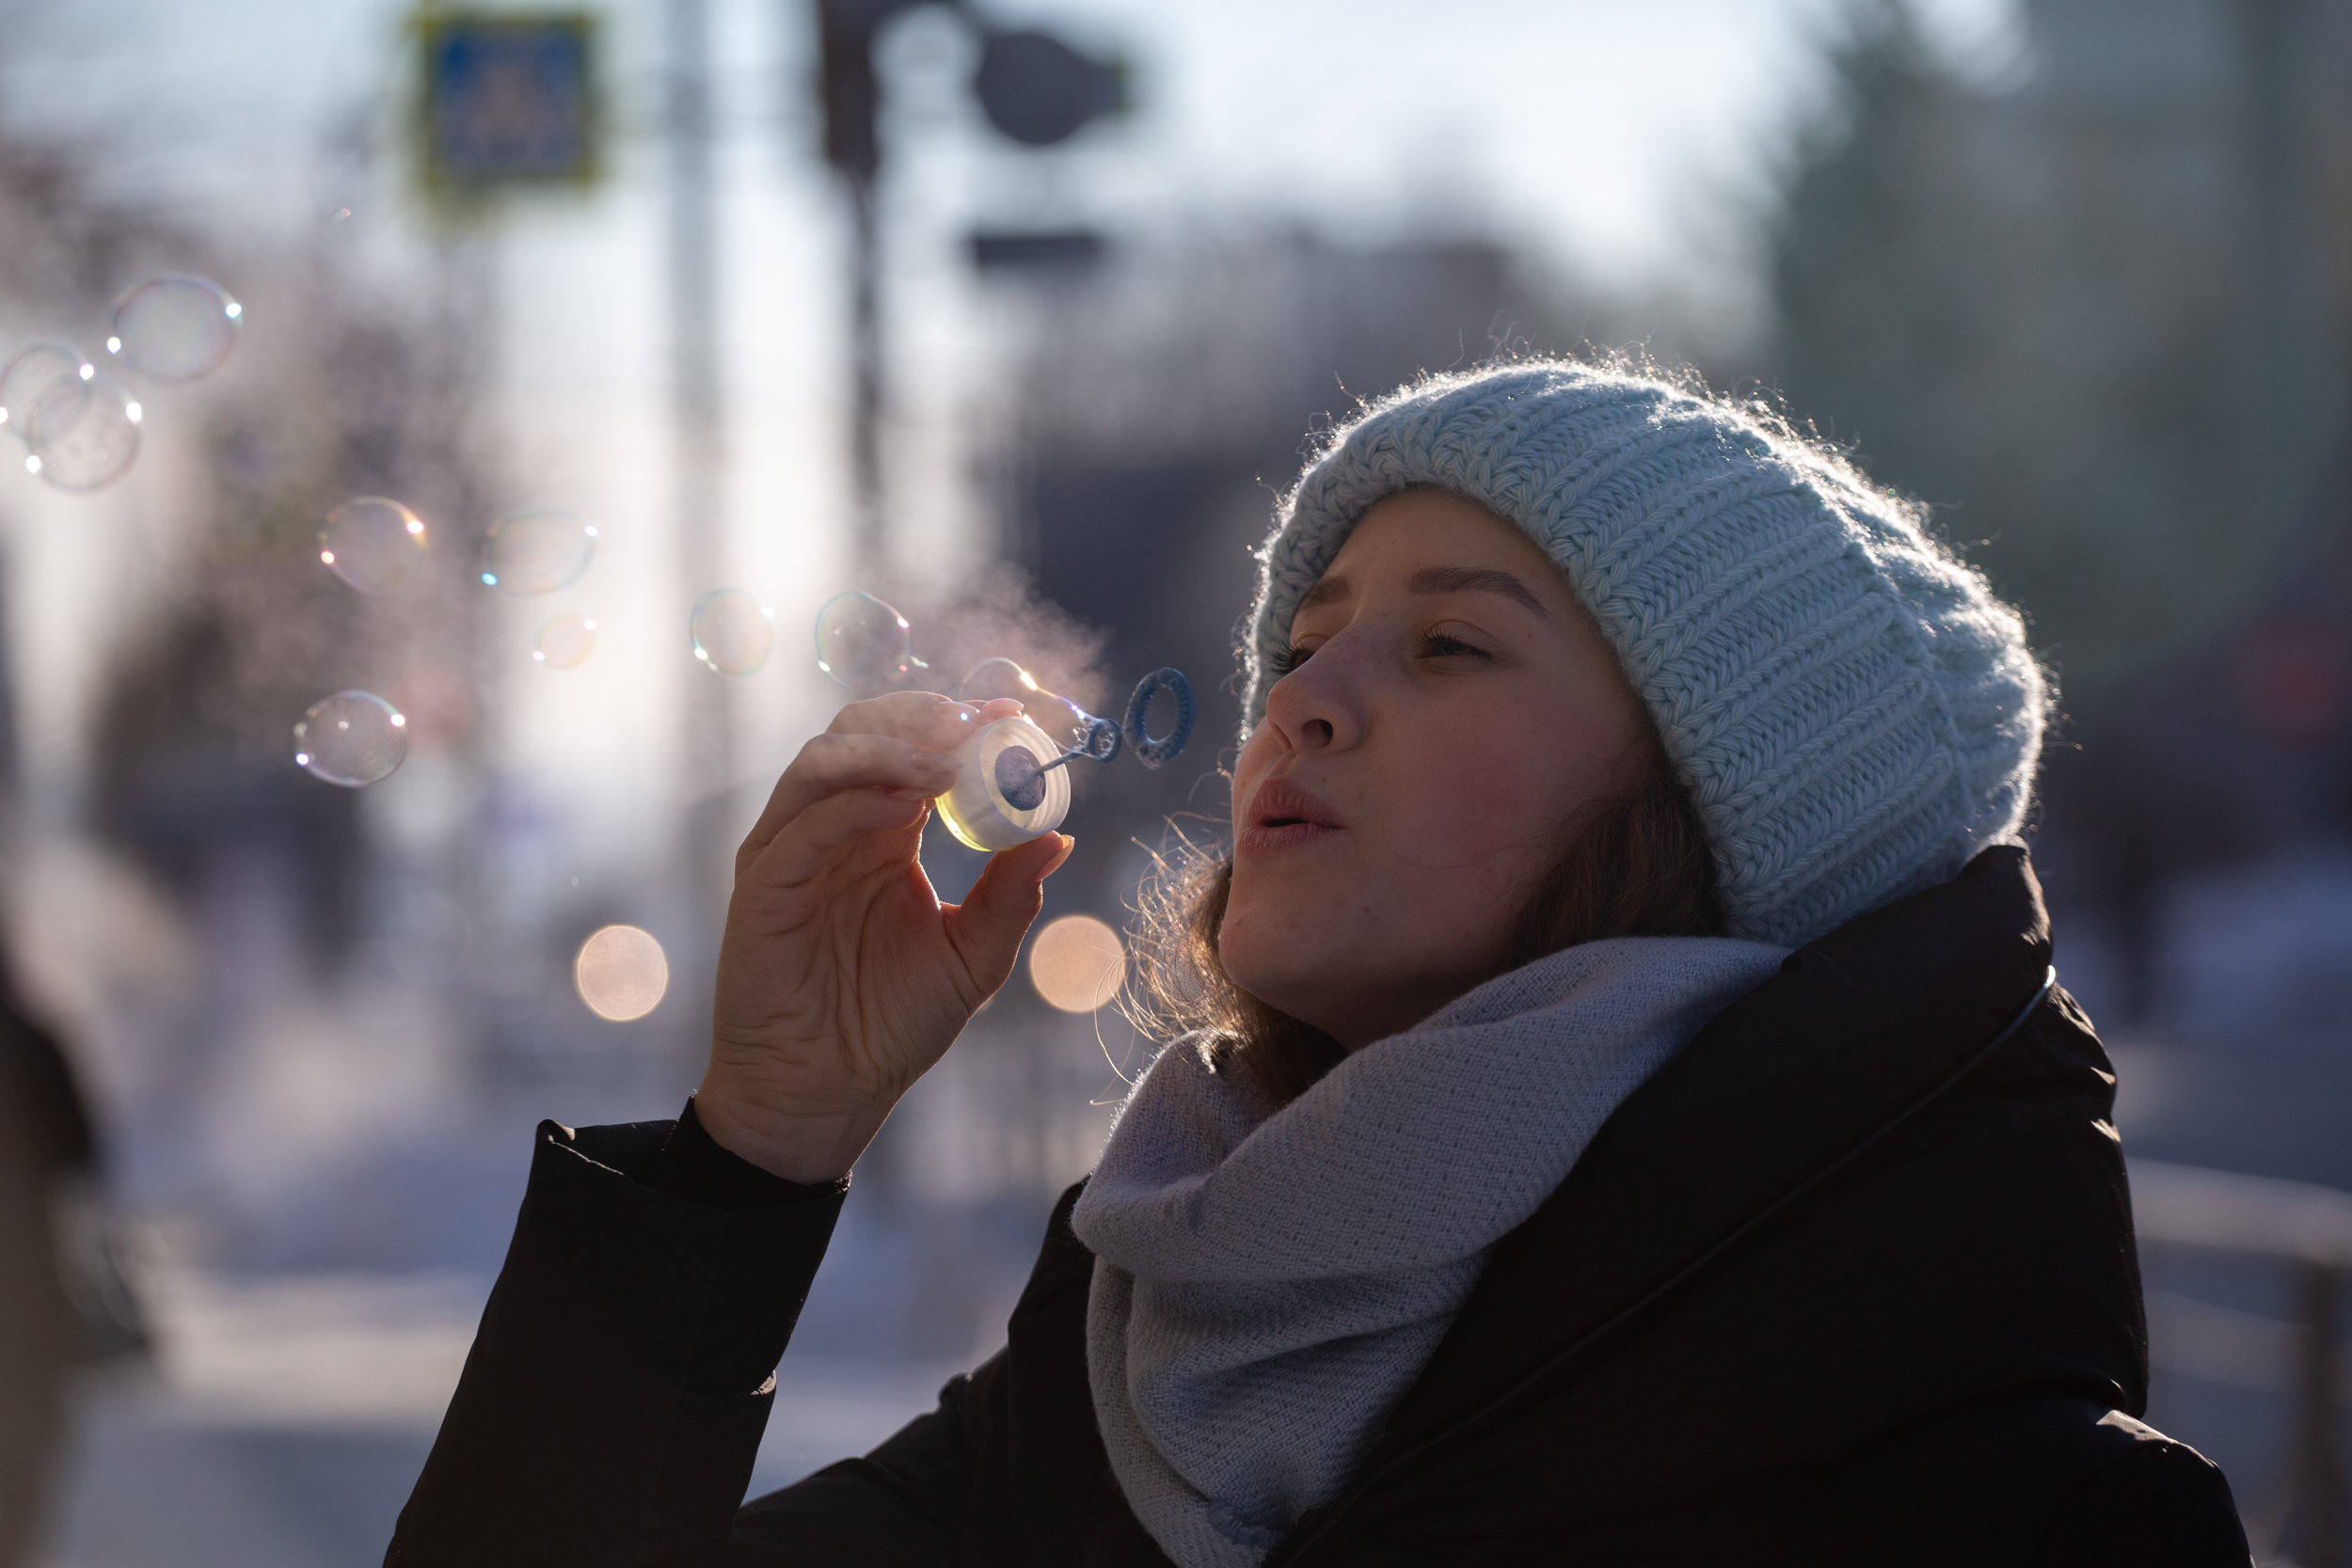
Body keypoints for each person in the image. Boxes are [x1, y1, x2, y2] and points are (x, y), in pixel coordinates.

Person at [387, 362, 2252, 1566]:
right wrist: (754, 1147)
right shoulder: (1123, 1386)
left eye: (1447, 650)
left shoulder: (2022, 1522)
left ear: (1712, 810)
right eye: (1305, 642)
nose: (1307, 703)